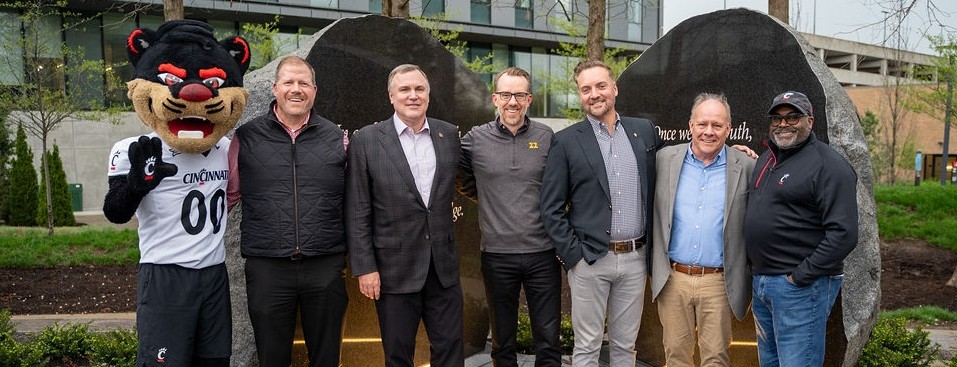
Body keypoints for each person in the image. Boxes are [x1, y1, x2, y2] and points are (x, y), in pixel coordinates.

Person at [104, 20, 251, 367]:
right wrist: (137, 184)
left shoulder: (225, 146)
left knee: (215, 361)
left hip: (214, 274)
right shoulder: (134, 149)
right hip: (165, 274)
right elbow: (114, 211)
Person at [226, 55, 348, 367]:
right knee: (272, 357)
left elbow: (354, 200)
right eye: (289, 83)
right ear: (275, 88)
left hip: (324, 266)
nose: (297, 89)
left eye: (303, 83)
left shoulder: (339, 138)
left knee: (326, 357)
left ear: (315, 90)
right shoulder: (246, 138)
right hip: (268, 268)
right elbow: (227, 197)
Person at [540, 60, 663, 366]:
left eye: (600, 86)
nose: (594, 94)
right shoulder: (566, 141)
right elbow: (551, 207)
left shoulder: (643, 131)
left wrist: (731, 153)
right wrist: (574, 257)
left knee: (625, 348)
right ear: (579, 95)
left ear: (614, 89)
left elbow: (673, 166)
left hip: (635, 259)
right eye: (585, 89)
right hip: (590, 261)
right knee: (587, 348)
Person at [346, 64, 464, 367]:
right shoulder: (367, 140)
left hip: (443, 270)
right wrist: (365, 267)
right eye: (405, 90)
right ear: (391, 96)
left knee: (451, 351)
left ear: (428, 94)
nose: (413, 95)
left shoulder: (448, 134)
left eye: (419, 89)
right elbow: (358, 208)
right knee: (398, 356)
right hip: (393, 271)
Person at [745, 91, 858, 366]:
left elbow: (844, 234)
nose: (783, 124)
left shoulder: (829, 165)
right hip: (762, 285)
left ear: (810, 119)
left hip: (799, 289)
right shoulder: (767, 159)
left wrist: (799, 277)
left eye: (792, 117)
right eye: (777, 118)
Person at [457, 67, 562, 366]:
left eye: (519, 95)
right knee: (502, 340)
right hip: (497, 255)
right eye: (505, 94)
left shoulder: (546, 136)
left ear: (529, 99)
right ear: (495, 98)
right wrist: (491, 198)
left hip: (543, 254)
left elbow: (558, 186)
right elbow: (461, 178)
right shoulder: (475, 138)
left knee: (548, 337)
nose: (512, 102)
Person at [650, 93, 755, 366]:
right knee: (675, 356)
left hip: (718, 282)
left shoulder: (746, 166)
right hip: (674, 279)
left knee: (717, 358)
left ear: (728, 129)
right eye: (702, 124)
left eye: (717, 125)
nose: (709, 131)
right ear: (690, 125)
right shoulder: (664, 159)